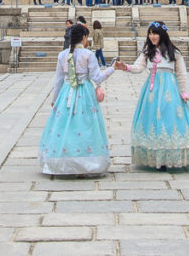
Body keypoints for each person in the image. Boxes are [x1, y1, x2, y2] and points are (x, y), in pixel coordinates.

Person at [38, 24, 127, 175]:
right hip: (84, 93)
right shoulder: (88, 55)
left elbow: (58, 80)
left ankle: (63, 160)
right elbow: (97, 77)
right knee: (86, 126)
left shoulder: (62, 55)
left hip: (66, 93)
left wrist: (55, 99)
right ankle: (85, 163)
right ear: (84, 37)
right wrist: (113, 68)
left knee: (65, 127)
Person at [124, 21, 189, 169]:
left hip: (170, 89)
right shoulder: (148, 52)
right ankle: (156, 155)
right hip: (152, 90)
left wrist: (184, 93)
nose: (152, 36)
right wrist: (125, 67)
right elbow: (139, 67)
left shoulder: (174, 53)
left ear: (162, 34)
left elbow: (181, 74)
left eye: (155, 33)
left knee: (168, 118)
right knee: (153, 120)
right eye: (150, 33)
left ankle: (170, 153)